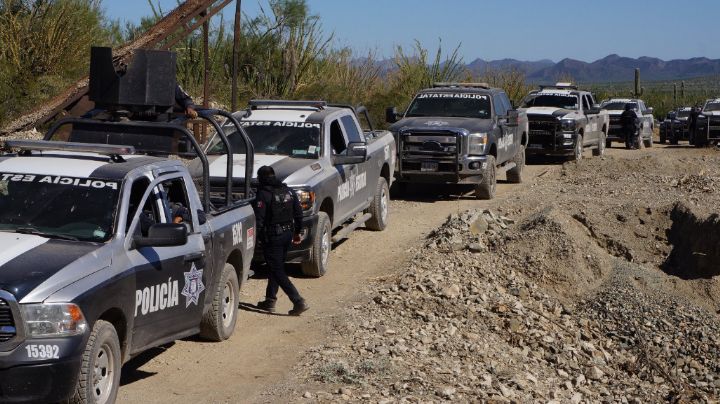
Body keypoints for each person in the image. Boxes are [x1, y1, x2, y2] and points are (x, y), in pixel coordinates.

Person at [253, 165, 309, 316]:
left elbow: (260, 219)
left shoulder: (263, 194)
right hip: (287, 234)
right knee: (275, 266)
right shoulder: (288, 191)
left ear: (262, 178)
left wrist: (256, 240)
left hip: (273, 237)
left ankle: (298, 301)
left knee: (277, 269)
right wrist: (298, 232)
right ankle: (270, 300)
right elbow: (298, 213)